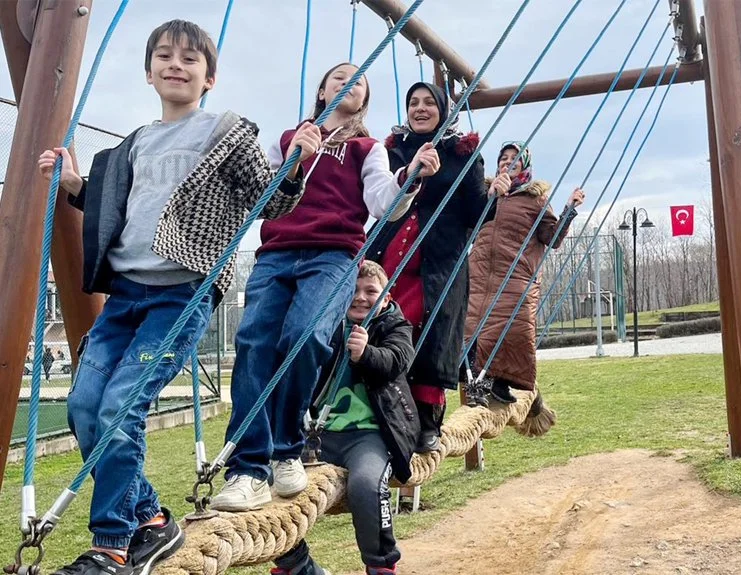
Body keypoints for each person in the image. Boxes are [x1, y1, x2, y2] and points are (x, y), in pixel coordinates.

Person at [37, 20, 303, 575]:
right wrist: (72, 185)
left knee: (118, 408)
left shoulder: (225, 132)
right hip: (126, 293)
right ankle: (153, 520)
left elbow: (268, 203)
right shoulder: (134, 142)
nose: (175, 65)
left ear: (209, 77)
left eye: (189, 59)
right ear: (149, 71)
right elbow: (118, 211)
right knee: (85, 407)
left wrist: (296, 161)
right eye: (164, 56)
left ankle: (112, 544)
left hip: (181, 293)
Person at [212, 63, 440, 512]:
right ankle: (247, 468)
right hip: (277, 252)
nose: (348, 84)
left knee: (305, 335)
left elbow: (383, 203)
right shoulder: (288, 139)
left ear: (364, 101)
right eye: (340, 77)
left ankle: (286, 447)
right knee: (255, 341)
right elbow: (263, 200)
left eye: (359, 82)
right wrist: (295, 156)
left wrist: (408, 177)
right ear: (322, 90)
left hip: (334, 255)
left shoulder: (366, 149)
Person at [273, 261, 417, 575]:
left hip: (369, 435)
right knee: (275, 485)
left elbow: (397, 360)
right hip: (318, 434)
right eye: (353, 290)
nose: (361, 297)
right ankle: (295, 563)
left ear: (387, 298)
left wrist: (366, 354)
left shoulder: (394, 326)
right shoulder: (327, 325)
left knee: (366, 484)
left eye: (371, 291)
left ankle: (380, 564)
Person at [368, 81, 488, 452]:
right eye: (413, 103)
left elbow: (476, 212)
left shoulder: (462, 152)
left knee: (434, 331)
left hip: (440, 258)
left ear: (442, 108)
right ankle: (385, 412)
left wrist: (494, 196)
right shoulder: (392, 151)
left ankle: (426, 419)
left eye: (428, 103)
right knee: (390, 324)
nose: (420, 109)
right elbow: (377, 196)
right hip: (393, 252)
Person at [465, 142, 584, 404]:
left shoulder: (535, 199)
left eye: (515, 158)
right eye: (503, 158)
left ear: (525, 165)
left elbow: (551, 237)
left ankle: (500, 383)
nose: (508, 162)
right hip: (481, 272)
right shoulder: (486, 193)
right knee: (475, 328)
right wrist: (491, 196)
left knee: (512, 330)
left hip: (515, 275)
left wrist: (569, 210)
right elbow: (469, 224)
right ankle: (478, 387)